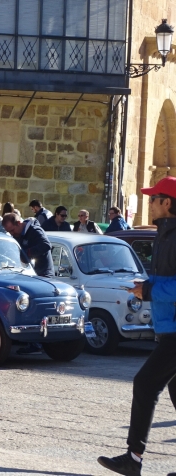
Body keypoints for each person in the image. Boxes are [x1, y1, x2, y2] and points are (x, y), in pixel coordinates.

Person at [98, 176, 176, 476]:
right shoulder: (165, 234)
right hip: (168, 328)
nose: (149, 203)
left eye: (153, 198)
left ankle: (133, 458)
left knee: (145, 384)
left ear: (166, 202)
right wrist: (144, 286)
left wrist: (150, 291)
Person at [2, 212, 54, 356]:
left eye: (12, 230)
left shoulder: (35, 231)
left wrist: (26, 253)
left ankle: (37, 343)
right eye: (9, 232)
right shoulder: (18, 235)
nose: (12, 234)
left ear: (19, 223)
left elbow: (46, 245)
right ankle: (32, 341)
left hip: (43, 274)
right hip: (28, 275)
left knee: (37, 308)